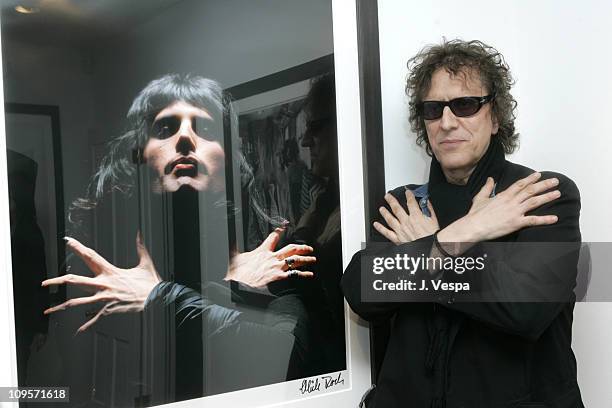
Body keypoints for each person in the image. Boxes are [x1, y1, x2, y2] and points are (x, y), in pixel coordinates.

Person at [41, 74, 324, 398]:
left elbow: (293, 359)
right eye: (165, 128)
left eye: (204, 129)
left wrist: (217, 286)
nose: (185, 139)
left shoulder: (262, 249)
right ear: (139, 154)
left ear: (231, 156)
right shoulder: (99, 240)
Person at [341, 40, 583, 407]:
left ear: (496, 116)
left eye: (465, 105)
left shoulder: (540, 194)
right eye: (433, 109)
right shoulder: (405, 205)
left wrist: (422, 254)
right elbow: (362, 291)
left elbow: (525, 308)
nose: (447, 122)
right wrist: (463, 232)